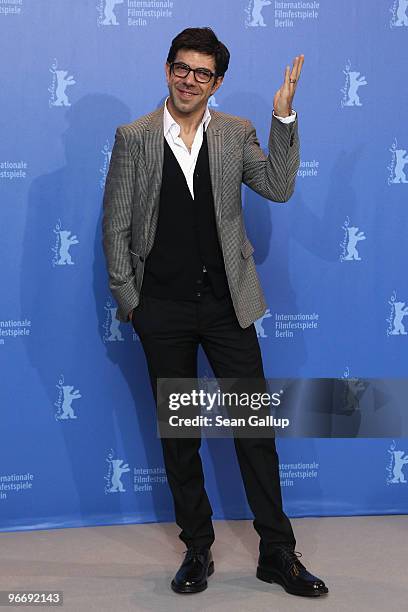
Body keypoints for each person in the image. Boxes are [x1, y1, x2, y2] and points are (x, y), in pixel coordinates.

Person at [102, 26, 328, 598]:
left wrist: (284, 119)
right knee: (181, 437)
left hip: (229, 305)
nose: (189, 79)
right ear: (168, 69)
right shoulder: (135, 137)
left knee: (254, 430)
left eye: (202, 72)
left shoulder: (235, 133)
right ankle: (197, 549)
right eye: (182, 67)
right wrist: (134, 305)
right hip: (164, 310)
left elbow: (277, 186)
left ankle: (278, 552)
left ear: (217, 81)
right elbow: (116, 226)